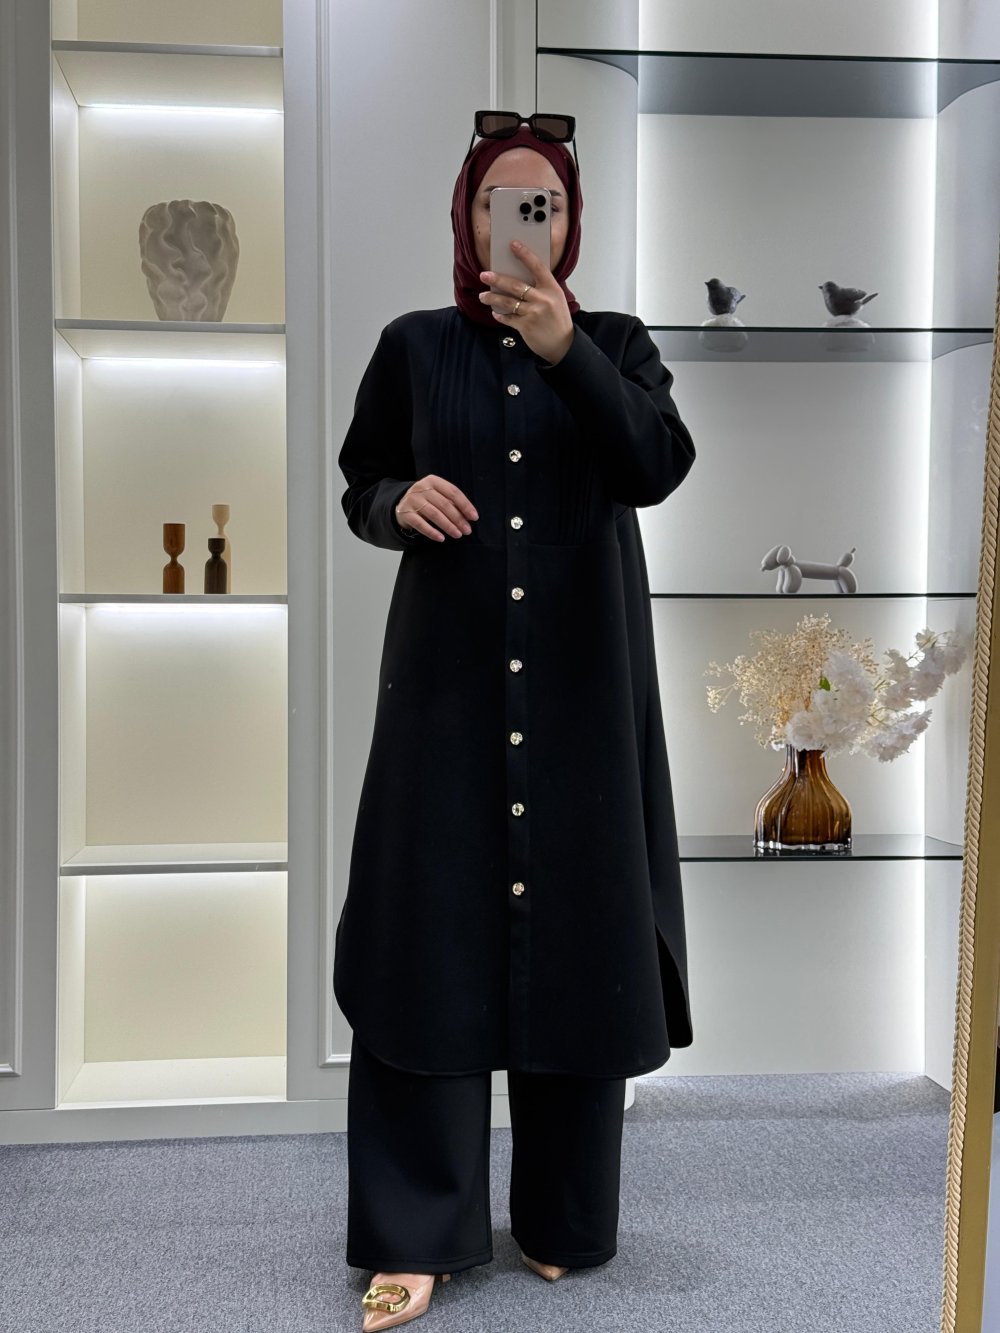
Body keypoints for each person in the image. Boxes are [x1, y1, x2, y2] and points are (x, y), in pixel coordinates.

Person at [334, 111, 697, 1330]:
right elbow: (360, 481)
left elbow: (655, 463)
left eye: (544, 204)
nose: (521, 224)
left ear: (569, 224)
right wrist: (397, 502)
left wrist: (564, 351)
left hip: (584, 693)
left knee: (578, 936)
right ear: (468, 216)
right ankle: (414, 1230)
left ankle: (560, 1214)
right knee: (426, 936)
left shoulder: (616, 343)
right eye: (501, 202)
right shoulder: (413, 345)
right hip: (442, 695)